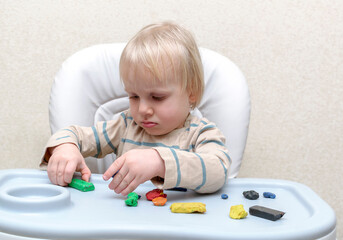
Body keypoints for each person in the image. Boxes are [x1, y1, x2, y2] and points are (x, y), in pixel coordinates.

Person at [40, 21, 231, 196]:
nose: (143, 109)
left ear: (191, 93)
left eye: (157, 97)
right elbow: (74, 134)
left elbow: (218, 171)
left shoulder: (202, 133)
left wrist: (159, 162)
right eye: (134, 96)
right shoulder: (126, 125)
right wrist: (65, 147)